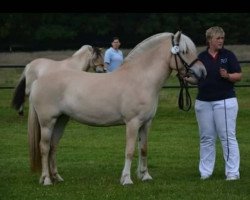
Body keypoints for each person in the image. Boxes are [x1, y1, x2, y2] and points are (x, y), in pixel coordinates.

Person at [195, 26, 242, 181]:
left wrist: (228, 75)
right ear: (209, 40)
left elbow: (239, 76)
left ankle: (232, 172)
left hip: (225, 101)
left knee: (227, 137)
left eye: (222, 38)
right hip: (203, 102)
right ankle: (205, 172)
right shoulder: (200, 57)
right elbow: (194, 79)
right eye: (218, 38)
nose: (221, 41)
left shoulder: (228, 55)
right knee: (206, 138)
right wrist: (185, 78)